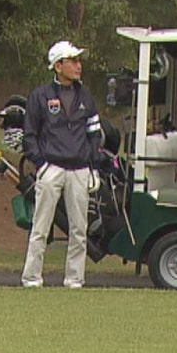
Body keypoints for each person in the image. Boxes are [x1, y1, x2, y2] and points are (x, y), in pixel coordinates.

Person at [21, 39, 103, 288]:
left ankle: (75, 279)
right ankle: (32, 278)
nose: (79, 65)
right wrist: (41, 164)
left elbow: (94, 133)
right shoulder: (40, 96)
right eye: (73, 61)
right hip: (52, 168)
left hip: (80, 169)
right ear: (58, 66)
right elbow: (29, 135)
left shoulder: (85, 95)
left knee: (79, 229)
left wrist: (93, 166)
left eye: (79, 61)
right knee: (41, 226)